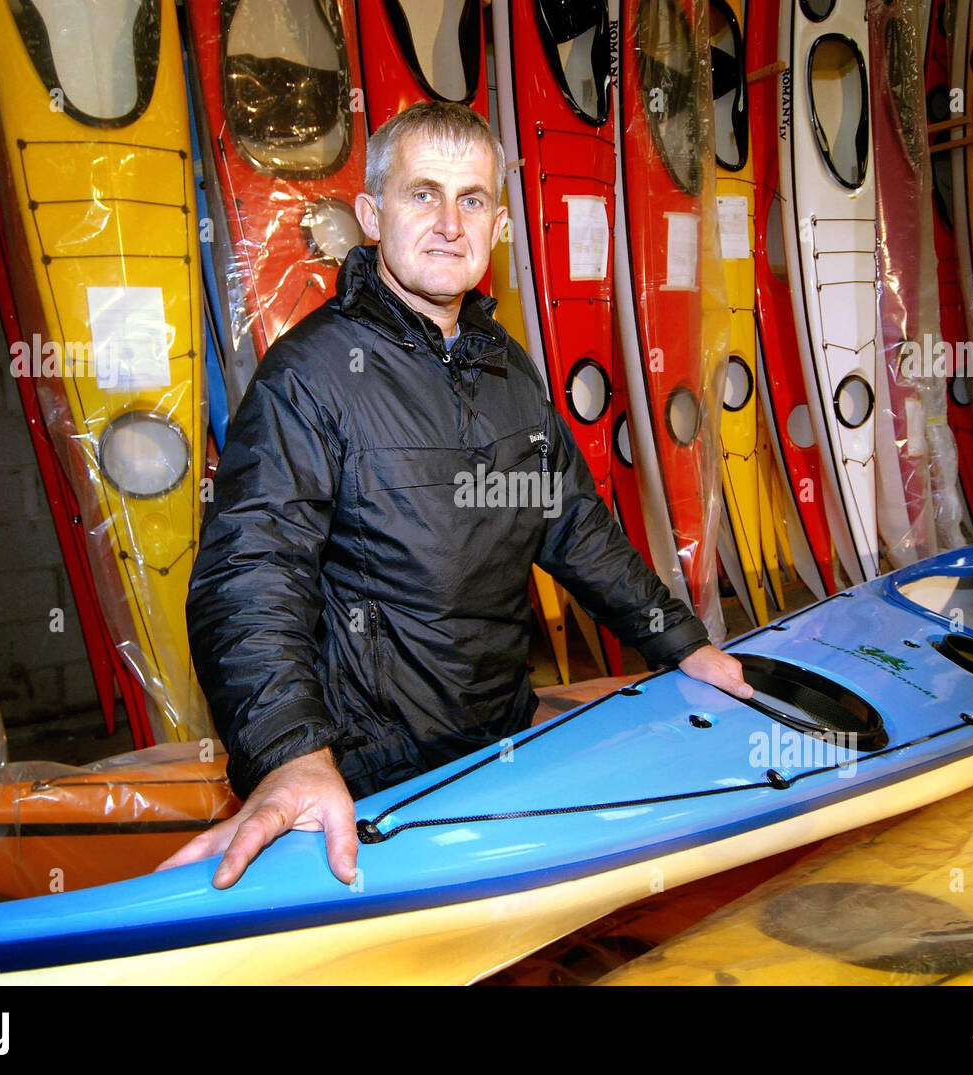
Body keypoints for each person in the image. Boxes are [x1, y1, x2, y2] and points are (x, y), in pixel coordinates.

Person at [163, 102, 751, 890]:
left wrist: (681, 639)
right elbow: (250, 572)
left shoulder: (506, 369)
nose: (449, 222)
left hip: (500, 751)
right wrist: (291, 753)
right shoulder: (310, 377)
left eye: (471, 200)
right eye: (422, 194)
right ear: (371, 215)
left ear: (498, 225)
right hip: (373, 785)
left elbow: (575, 525)